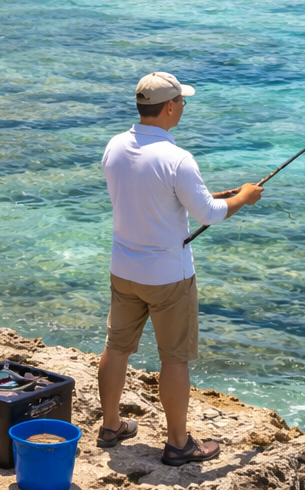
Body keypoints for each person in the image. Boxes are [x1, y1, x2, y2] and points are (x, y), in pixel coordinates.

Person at [98, 71, 264, 466]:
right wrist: (244, 197)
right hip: (168, 276)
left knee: (116, 347)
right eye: (183, 101)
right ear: (170, 106)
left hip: (124, 268)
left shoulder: (116, 146)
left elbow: (143, 194)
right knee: (174, 358)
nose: (185, 107)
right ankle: (177, 444)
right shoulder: (178, 159)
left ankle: (109, 425)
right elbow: (208, 213)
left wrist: (203, 196)